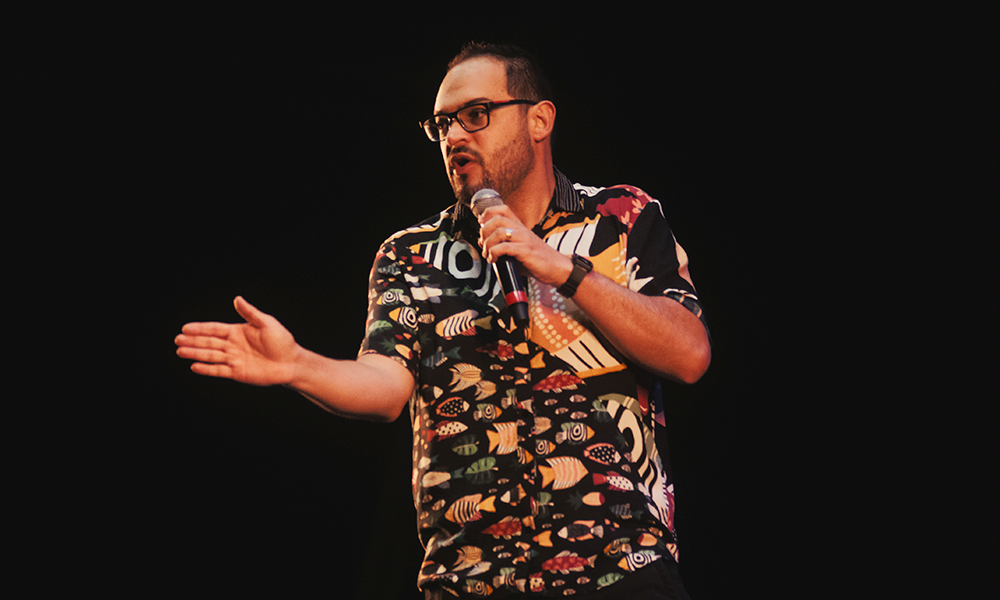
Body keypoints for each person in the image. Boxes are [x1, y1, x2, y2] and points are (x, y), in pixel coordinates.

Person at [175, 43, 711, 599]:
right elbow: (385, 387)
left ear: (539, 120)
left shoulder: (621, 217)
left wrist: (562, 269)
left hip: (619, 567)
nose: (454, 136)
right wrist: (297, 366)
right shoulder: (410, 255)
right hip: (470, 579)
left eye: (475, 114)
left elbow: (690, 353)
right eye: (442, 124)